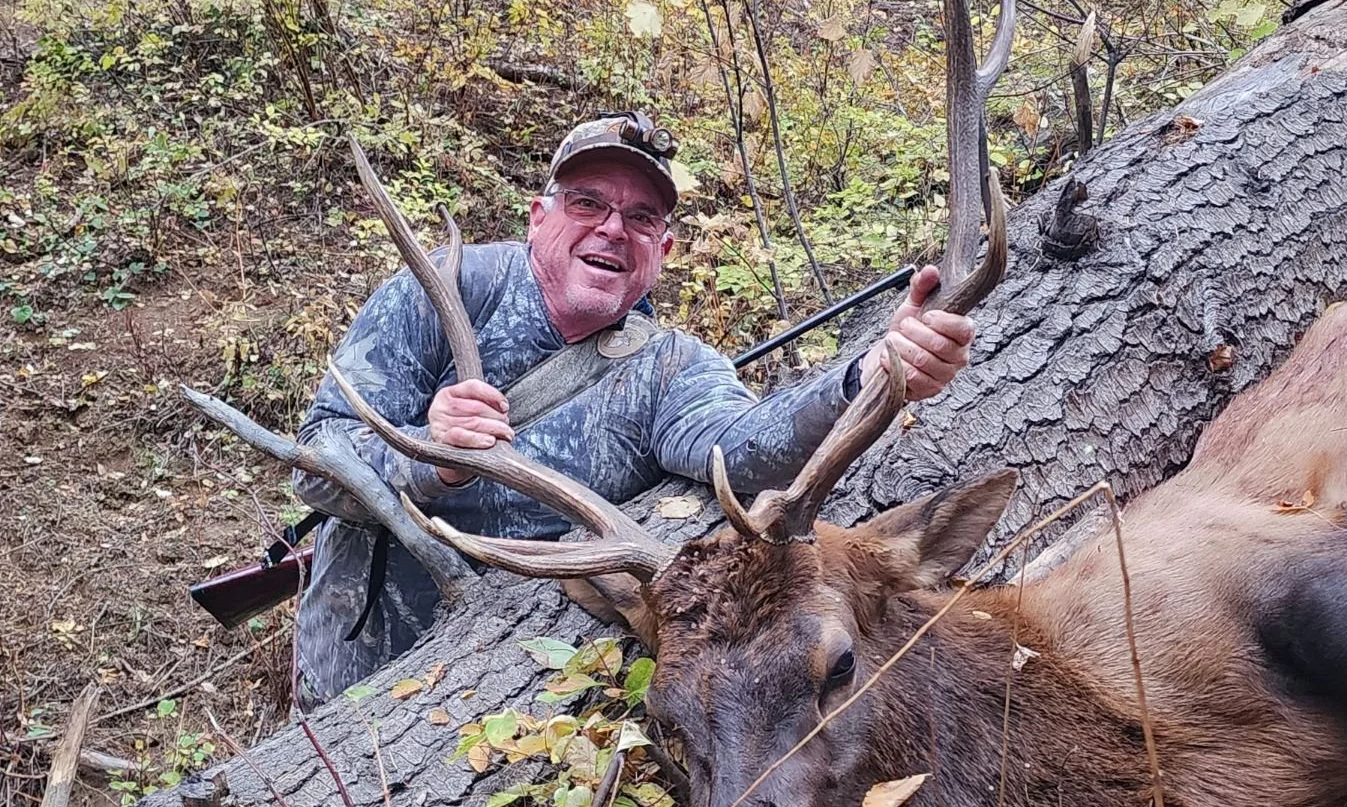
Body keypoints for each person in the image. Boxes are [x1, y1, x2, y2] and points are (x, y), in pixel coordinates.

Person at [293, 114, 979, 703]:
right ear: (541, 217)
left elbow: (746, 446)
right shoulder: (441, 289)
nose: (613, 229)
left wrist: (873, 373)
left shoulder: (669, 367)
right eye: (588, 203)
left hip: (494, 692)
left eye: (642, 217)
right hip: (353, 669)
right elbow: (316, 464)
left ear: (664, 250)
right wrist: (424, 455)